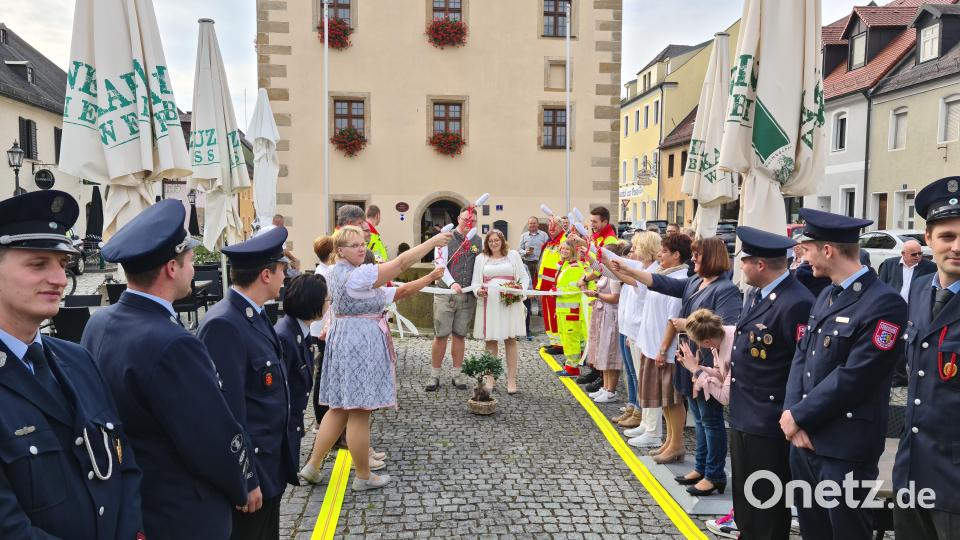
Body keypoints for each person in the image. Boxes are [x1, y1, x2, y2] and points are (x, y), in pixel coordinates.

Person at [82, 200, 252, 539]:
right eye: (189, 261)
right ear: (172, 268)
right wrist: (242, 485)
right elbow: (211, 437)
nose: (192, 270)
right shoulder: (174, 342)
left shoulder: (98, 322)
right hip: (181, 511)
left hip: (131, 501)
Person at [0, 190, 144, 539]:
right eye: (38, 264)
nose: (60, 280)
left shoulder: (76, 359)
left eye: (62, 265)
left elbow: (123, 466)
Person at [782, 208, 907, 540]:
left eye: (806, 249)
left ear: (827, 250)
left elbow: (856, 376)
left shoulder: (884, 303)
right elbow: (802, 358)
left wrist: (799, 415)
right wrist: (792, 415)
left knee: (847, 532)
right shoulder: (827, 293)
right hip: (805, 440)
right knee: (814, 531)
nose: (802, 258)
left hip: (845, 448)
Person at [299, 226, 449, 490]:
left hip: (344, 337)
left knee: (339, 408)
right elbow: (401, 263)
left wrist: (431, 277)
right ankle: (364, 476)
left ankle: (312, 465)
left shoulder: (336, 272)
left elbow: (397, 292)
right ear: (340, 251)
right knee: (358, 411)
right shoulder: (359, 275)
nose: (361, 248)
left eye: (362, 244)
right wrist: (433, 242)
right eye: (354, 245)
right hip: (360, 341)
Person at [617, 236, 741, 494]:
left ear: (712, 258)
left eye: (698, 255)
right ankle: (702, 466)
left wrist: (689, 325)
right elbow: (661, 283)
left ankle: (715, 474)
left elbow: (727, 328)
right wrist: (629, 270)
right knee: (699, 415)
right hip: (688, 359)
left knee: (710, 419)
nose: (693, 259)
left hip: (706, 363)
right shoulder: (696, 281)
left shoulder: (725, 289)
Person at [197, 227, 297, 540]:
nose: (286, 276)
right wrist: (244, 478)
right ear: (266, 275)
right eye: (282, 269)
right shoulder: (224, 324)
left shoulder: (253, 314)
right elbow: (226, 413)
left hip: (271, 466)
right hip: (253, 472)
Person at [724, 227, 818, 535]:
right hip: (745, 414)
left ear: (760, 264)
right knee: (746, 501)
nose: (741, 266)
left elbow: (802, 366)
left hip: (769, 420)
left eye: (745, 261)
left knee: (766, 505)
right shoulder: (758, 294)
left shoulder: (796, 302)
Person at [893, 176, 960, 540]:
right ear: (929, 239)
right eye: (947, 237)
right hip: (912, 470)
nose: (957, 247)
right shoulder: (919, 290)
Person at [608, 234, 690, 453]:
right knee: (658, 395)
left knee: (668, 397)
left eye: (664, 251)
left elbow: (672, 319)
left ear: (676, 255)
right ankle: (659, 435)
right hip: (650, 342)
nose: (660, 255)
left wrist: (663, 348)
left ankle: (658, 435)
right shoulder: (665, 273)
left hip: (663, 348)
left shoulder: (679, 279)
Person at [608, 232, 660, 429]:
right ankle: (633, 406)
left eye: (635, 248)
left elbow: (615, 268)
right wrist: (591, 252)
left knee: (641, 376)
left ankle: (640, 413)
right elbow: (611, 269)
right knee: (632, 372)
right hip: (629, 327)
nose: (632, 252)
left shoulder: (647, 271)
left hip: (639, 331)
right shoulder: (639, 268)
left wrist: (595, 251)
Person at [427, 206, 482, 391]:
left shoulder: (478, 241)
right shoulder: (445, 237)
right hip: (445, 294)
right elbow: (440, 266)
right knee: (441, 335)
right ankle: (434, 376)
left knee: (459, 335)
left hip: (467, 296)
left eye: (472, 221)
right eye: (466, 219)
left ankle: (457, 375)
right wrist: (452, 284)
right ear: (459, 218)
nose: (469, 223)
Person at [275, 274, 328, 463]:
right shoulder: (285, 336)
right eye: (326, 299)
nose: (328, 304)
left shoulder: (299, 331)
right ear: (313, 303)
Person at [472, 230, 530, 394]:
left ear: (502, 241)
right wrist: (478, 291)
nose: (494, 243)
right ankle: (491, 378)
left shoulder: (513, 256)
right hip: (490, 303)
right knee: (490, 341)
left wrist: (519, 290)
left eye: (497, 240)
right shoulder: (480, 258)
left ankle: (511, 380)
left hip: (509, 303)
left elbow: (524, 278)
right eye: (491, 241)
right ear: (487, 243)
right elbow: (476, 282)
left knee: (510, 339)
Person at [878, 239, 936, 387]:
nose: (918, 256)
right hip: (894, 310)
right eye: (914, 254)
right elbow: (881, 287)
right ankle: (897, 376)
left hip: (915, 310)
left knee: (910, 342)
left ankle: (911, 375)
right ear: (903, 254)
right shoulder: (889, 264)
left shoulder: (930, 267)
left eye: (920, 253)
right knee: (892, 340)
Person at [583, 242, 627, 403]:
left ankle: (611, 389)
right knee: (603, 350)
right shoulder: (605, 273)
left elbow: (615, 298)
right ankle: (606, 387)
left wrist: (596, 295)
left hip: (610, 316)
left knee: (610, 352)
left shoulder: (614, 276)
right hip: (603, 314)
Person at [554, 236, 590, 376]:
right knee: (568, 338)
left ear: (573, 251)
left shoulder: (574, 268)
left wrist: (557, 292)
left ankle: (572, 367)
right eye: (562, 248)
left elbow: (574, 288)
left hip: (571, 309)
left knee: (571, 338)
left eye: (567, 249)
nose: (563, 251)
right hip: (564, 309)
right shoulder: (566, 265)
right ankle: (572, 362)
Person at [537, 215, 566, 355]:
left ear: (561, 227)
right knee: (548, 315)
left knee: (555, 315)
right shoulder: (550, 243)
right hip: (545, 285)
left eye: (554, 226)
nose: (551, 229)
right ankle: (554, 341)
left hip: (555, 285)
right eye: (549, 226)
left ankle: (560, 344)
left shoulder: (563, 241)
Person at [519, 217, 549, 338]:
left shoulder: (544, 235)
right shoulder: (524, 236)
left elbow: (548, 247)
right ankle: (530, 310)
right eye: (530, 223)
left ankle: (542, 310)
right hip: (528, 263)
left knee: (540, 286)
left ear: (537, 224)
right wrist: (525, 252)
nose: (532, 225)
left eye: (534, 223)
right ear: (528, 224)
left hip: (541, 263)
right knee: (529, 287)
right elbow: (519, 249)